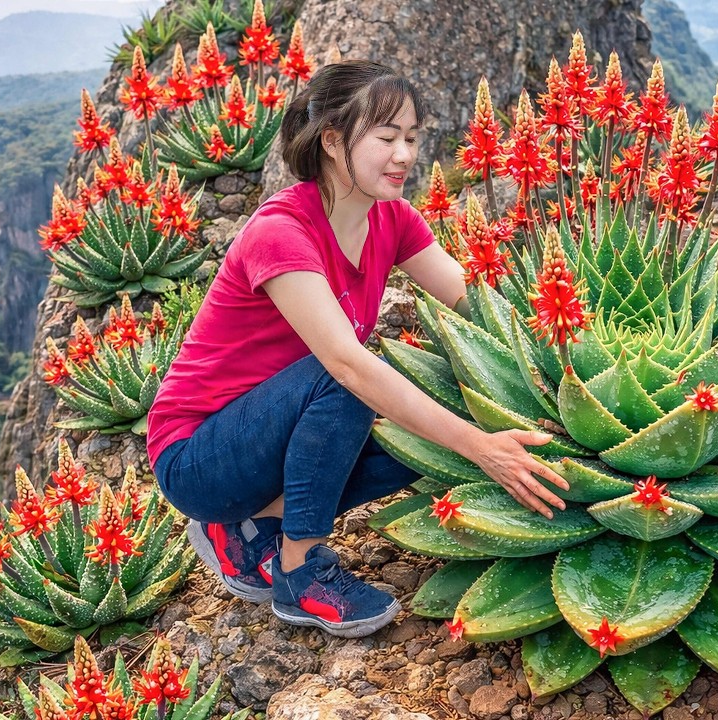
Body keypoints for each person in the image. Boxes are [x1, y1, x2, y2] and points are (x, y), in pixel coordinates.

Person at [146, 61, 569, 639]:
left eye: (413, 138)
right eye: (386, 138)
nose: (404, 155)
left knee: (424, 419)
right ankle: (299, 573)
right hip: (199, 456)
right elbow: (345, 364)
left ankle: (253, 525)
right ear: (332, 141)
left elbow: (471, 299)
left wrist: (564, 336)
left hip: (278, 431)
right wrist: (481, 449)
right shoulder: (281, 231)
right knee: (347, 375)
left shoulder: (391, 218)